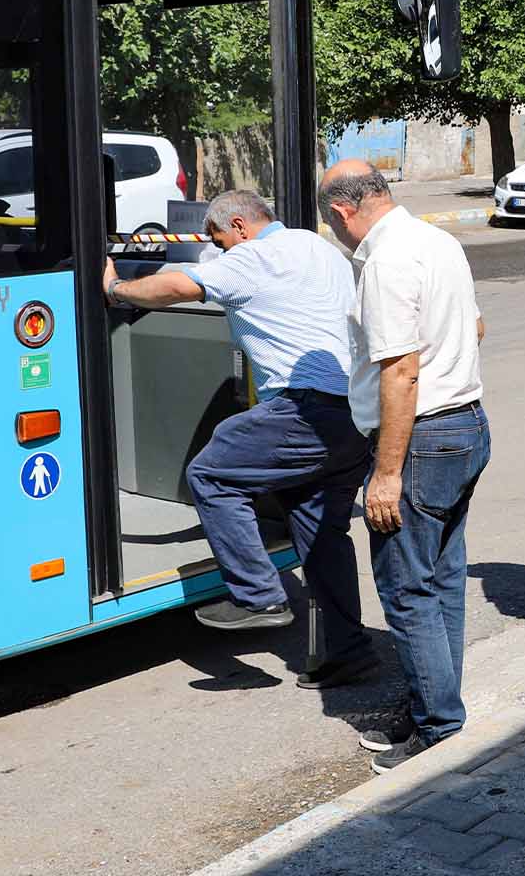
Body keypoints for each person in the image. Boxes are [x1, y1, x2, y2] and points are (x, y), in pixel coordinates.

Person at [100, 191, 378, 689]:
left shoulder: (251, 258)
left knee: (210, 473)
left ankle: (258, 596)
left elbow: (174, 288)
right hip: (353, 416)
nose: (218, 248)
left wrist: (117, 288)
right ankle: (349, 653)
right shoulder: (317, 248)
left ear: (240, 226)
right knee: (319, 534)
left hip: (304, 409)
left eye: (218, 239)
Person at [318, 160, 491, 774]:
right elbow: (475, 326)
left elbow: (400, 372)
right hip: (465, 424)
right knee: (442, 578)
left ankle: (437, 725)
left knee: (406, 587)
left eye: (332, 224)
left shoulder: (386, 263)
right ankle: (433, 703)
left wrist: (386, 472)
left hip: (421, 439)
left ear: (343, 211)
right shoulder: (436, 240)